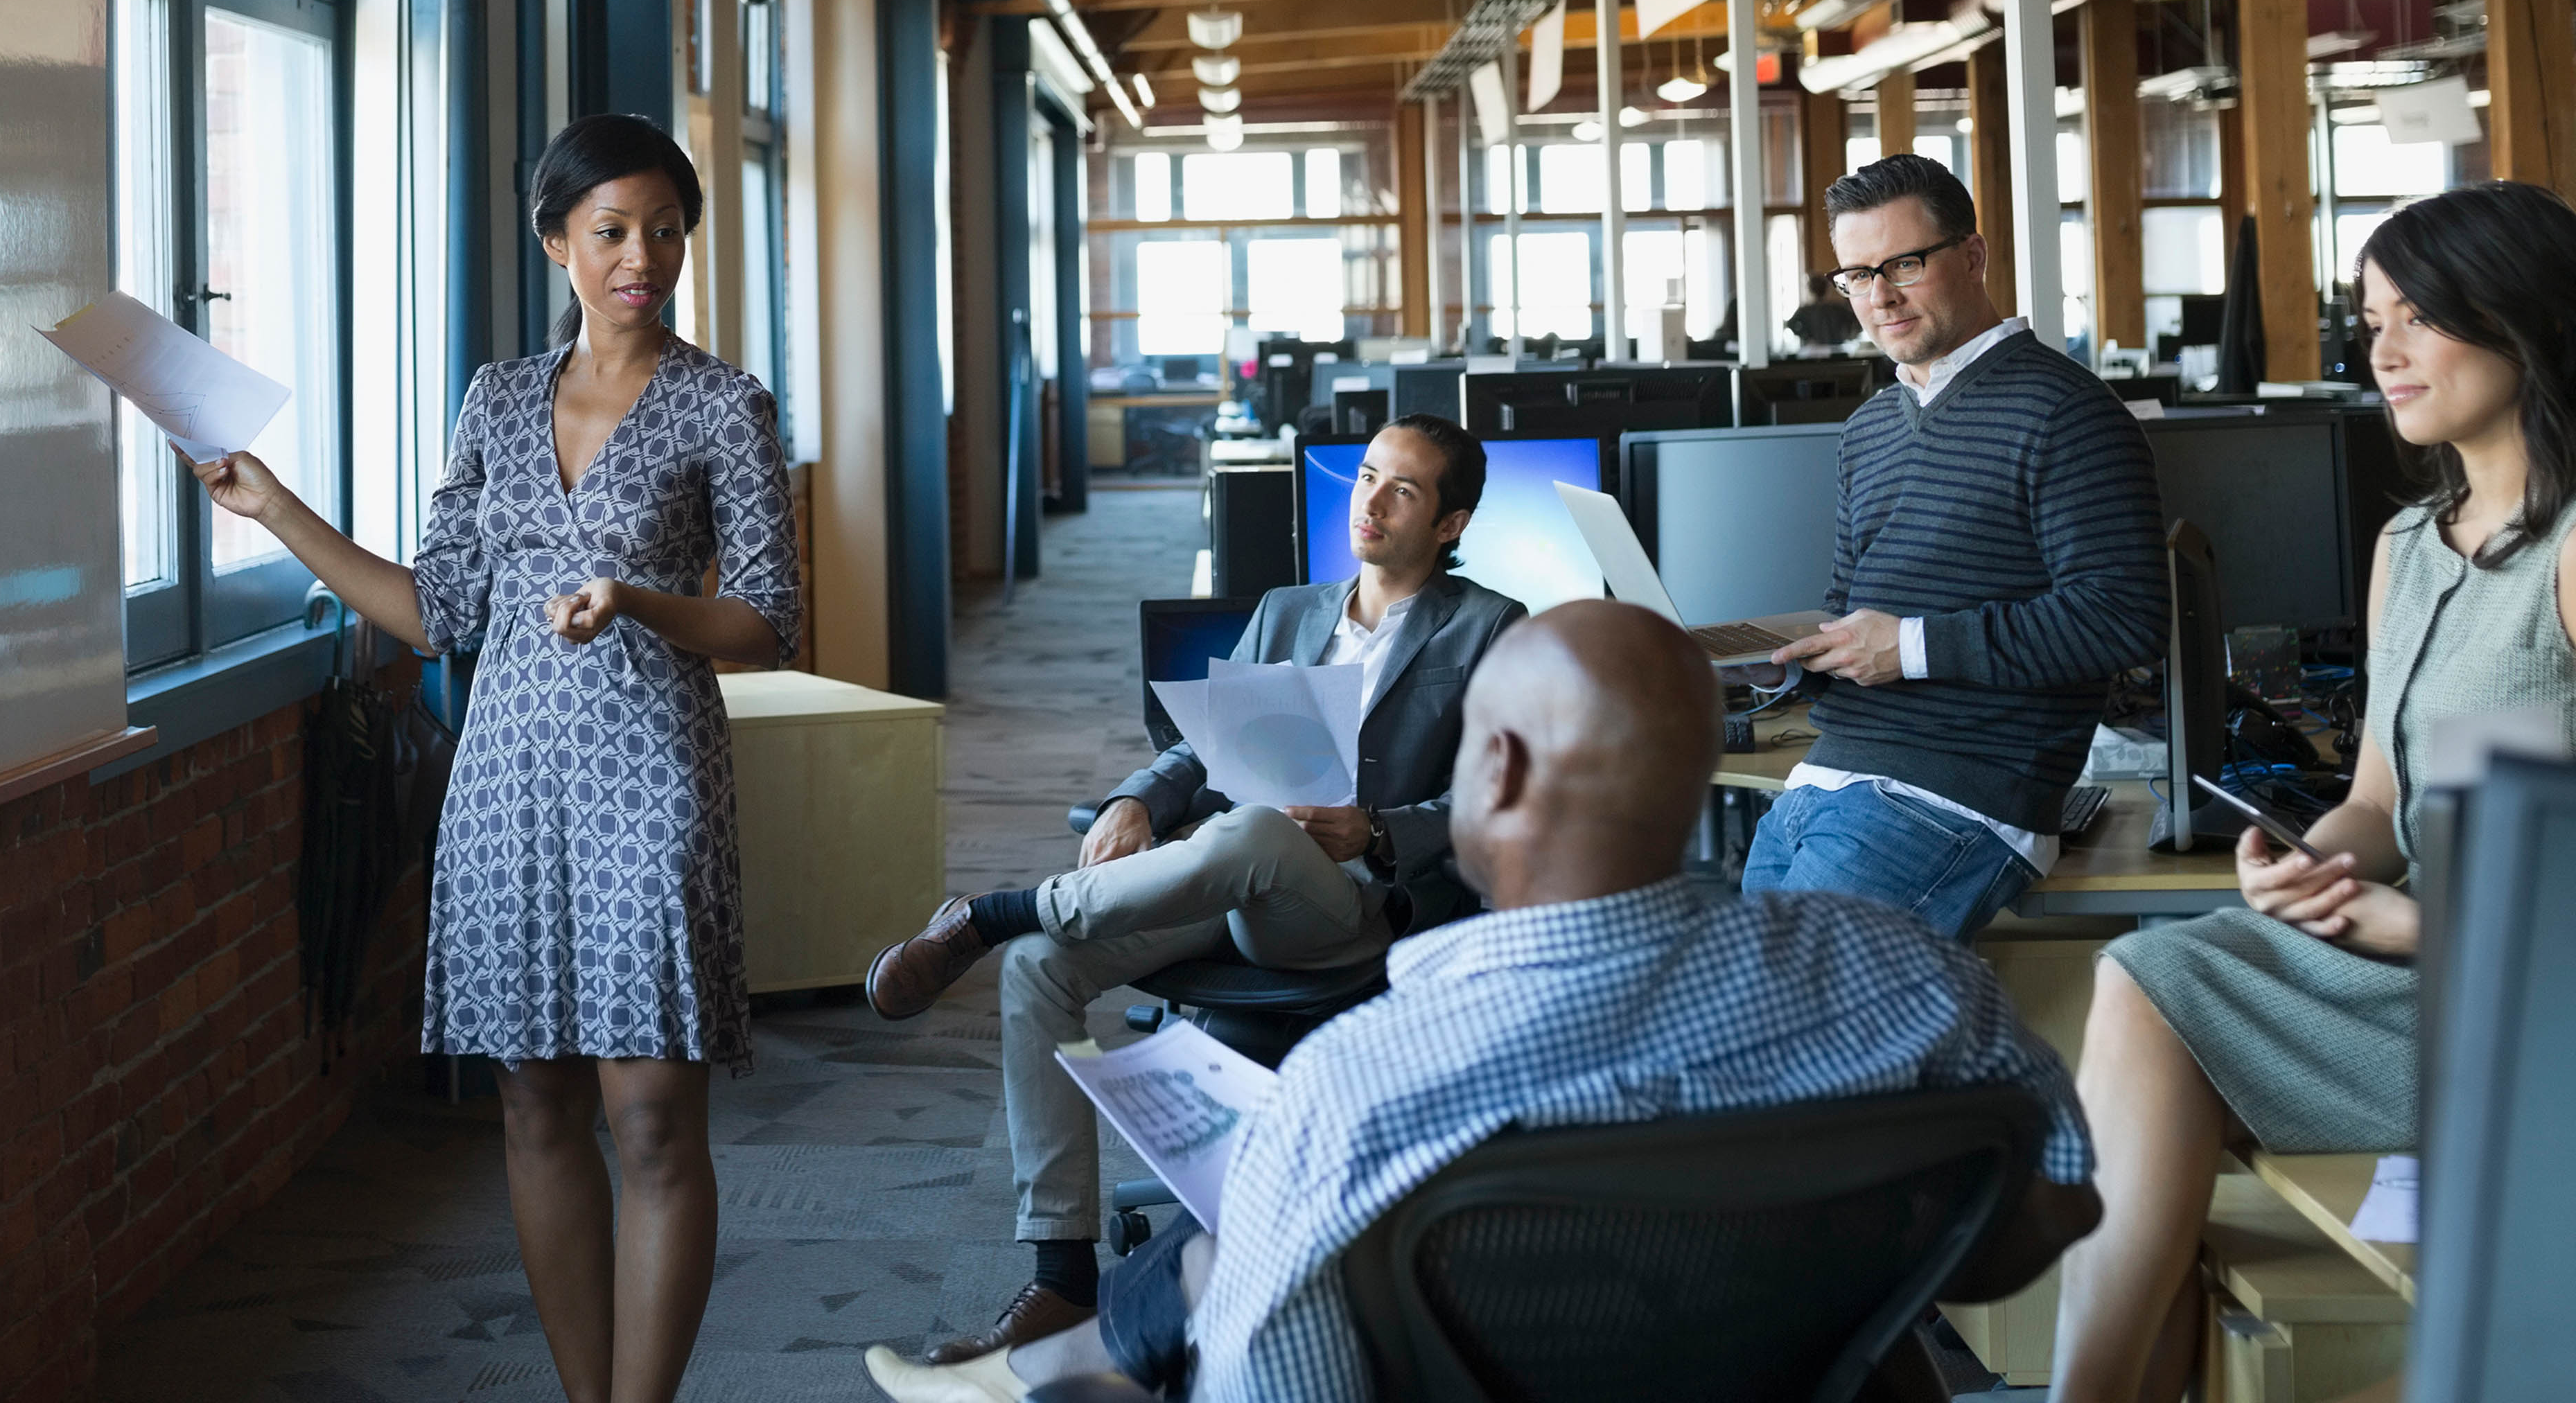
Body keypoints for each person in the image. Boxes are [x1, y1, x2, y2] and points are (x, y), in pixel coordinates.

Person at [861, 601, 2101, 1403]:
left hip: (1343, 933)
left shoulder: (1358, 1087)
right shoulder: (1916, 985)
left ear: (1493, 767)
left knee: (1255, 1234)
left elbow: (1283, 1395)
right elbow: (2039, 1219)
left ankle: (1053, 1374)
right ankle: (1054, 1361)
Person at [184, 114, 801, 1403]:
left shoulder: (723, 404)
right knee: (533, 1103)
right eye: (614, 230)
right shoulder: (498, 399)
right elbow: (434, 612)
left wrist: (632, 599)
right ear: (557, 242)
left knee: (651, 1119)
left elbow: (763, 617)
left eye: (667, 230)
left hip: (653, 781)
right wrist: (276, 504)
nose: (645, 256)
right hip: (508, 787)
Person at [2049, 182, 2576, 1403]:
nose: (2379, 353)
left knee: (2153, 995)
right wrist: (2315, 859)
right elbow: (2382, 802)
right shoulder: (2411, 545)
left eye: (2416, 318)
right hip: (2415, 962)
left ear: (2522, 318)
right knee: (2148, 968)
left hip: (2527, 997)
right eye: (2369, 319)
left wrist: (2424, 928)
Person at [859, 414, 1523, 1366]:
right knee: (1042, 970)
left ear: (1450, 523)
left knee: (1249, 829)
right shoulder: (1289, 611)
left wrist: (1376, 829)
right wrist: (1136, 796)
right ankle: (1059, 1277)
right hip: (1229, 880)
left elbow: (1495, 797)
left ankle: (994, 911)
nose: (1369, 503)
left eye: (1403, 490)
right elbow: (1201, 749)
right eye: (1366, 476)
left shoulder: (1492, 629)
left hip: (1352, 912)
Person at [1741, 153, 2169, 940]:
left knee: (1777, 1043)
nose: (1880, 296)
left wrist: (1907, 647)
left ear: (1972, 256)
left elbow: (2123, 617)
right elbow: (1855, 610)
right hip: (1824, 780)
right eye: (1858, 274)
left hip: (1955, 795)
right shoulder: (1869, 427)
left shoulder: (2068, 412)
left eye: (1904, 263)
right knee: (1729, 1026)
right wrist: (1793, 658)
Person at [1785, 271, 1864, 349]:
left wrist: (1807, 337)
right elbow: (1858, 322)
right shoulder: (1838, 308)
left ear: (1810, 290)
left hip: (1814, 351)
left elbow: (1790, 324)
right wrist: (1848, 336)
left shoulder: (1805, 310)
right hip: (1836, 350)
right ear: (1827, 289)